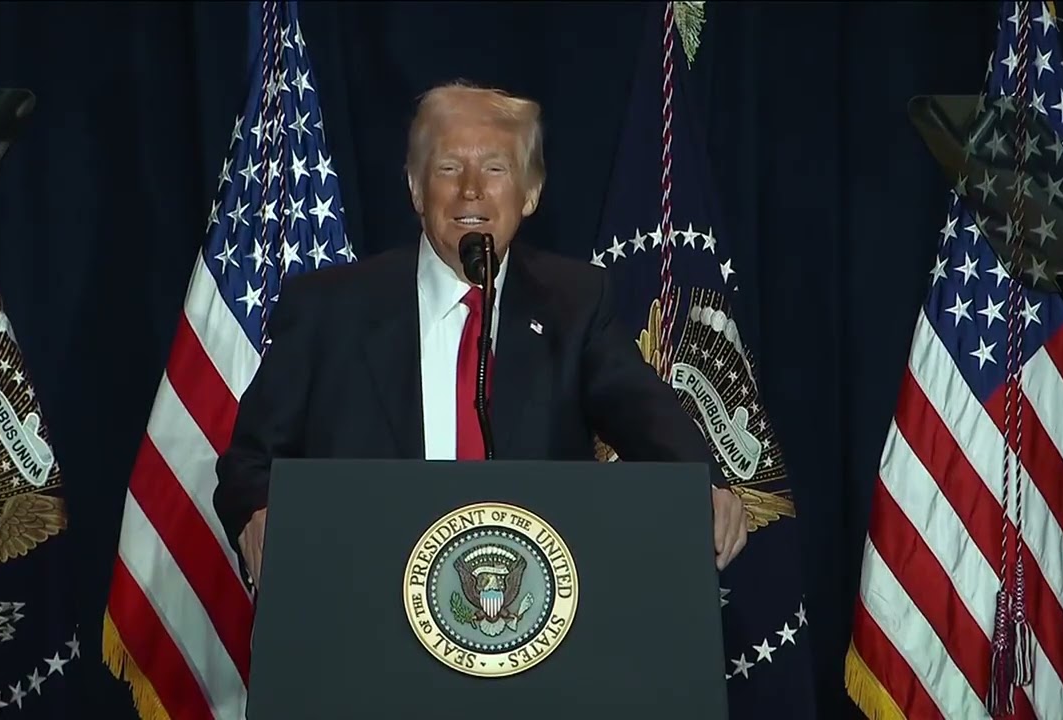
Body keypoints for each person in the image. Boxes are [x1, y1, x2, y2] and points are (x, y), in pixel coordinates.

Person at [213, 81, 748, 587]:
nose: (471, 189)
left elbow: (646, 417)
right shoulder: (328, 308)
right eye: (448, 167)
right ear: (416, 189)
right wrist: (257, 513)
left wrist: (704, 485)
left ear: (530, 192)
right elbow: (249, 463)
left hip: (529, 618)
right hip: (367, 607)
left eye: (495, 168)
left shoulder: (575, 304)